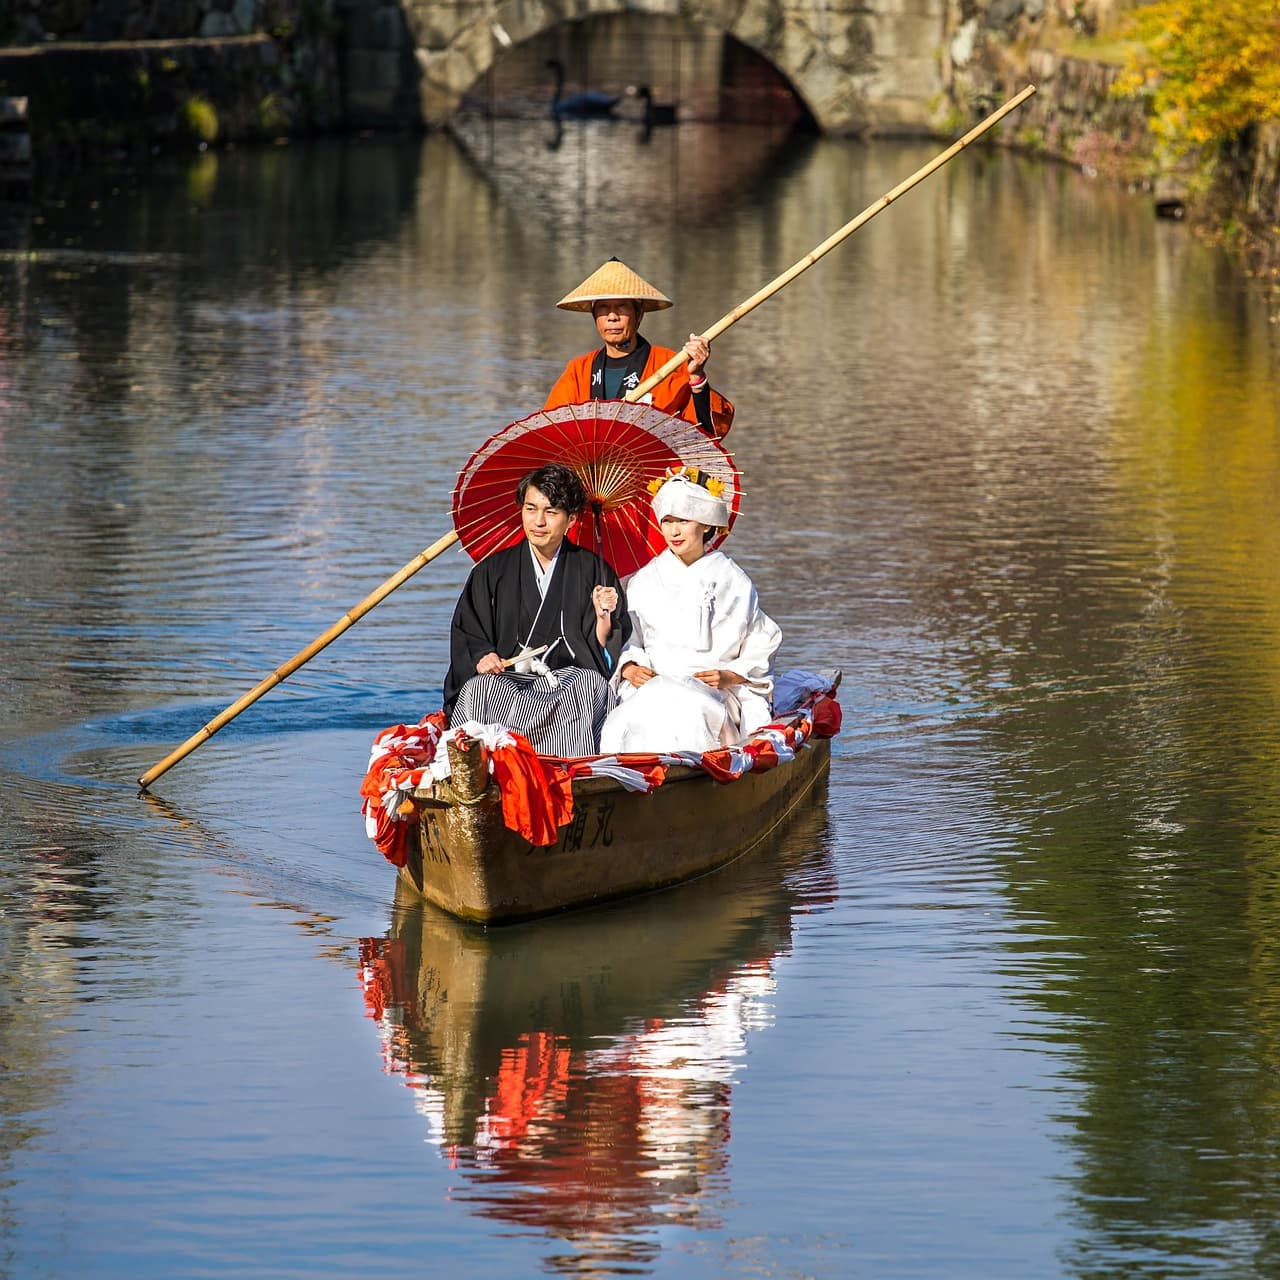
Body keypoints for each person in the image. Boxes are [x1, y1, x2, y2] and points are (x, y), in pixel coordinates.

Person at [444, 463, 629, 757]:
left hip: (565, 682)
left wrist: (603, 615)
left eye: (551, 512)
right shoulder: (491, 571)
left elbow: (606, 651)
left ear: (571, 519)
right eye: (531, 509)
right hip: (506, 680)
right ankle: (488, 764)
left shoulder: (593, 570)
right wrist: (483, 656)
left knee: (590, 685)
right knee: (481, 689)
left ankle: (569, 767)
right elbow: (468, 630)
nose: (538, 521)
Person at [599, 471, 781, 755]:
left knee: (690, 711)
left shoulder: (733, 579)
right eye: (668, 522)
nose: (674, 532)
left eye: (683, 521)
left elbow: (761, 642)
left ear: (706, 524)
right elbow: (633, 640)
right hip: (655, 683)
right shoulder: (644, 580)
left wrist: (729, 675)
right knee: (621, 721)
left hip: (713, 688)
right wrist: (631, 668)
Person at [545, 257, 735, 440]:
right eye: (603, 307)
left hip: (653, 470)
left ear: (639, 313)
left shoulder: (670, 365)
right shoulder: (578, 370)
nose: (612, 316)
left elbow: (707, 435)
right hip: (592, 472)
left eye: (621, 306)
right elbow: (552, 431)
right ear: (594, 315)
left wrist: (697, 378)